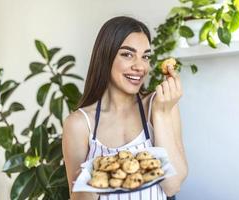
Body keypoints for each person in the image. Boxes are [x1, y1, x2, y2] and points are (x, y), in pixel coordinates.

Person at [62, 16, 188, 200]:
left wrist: (161, 114)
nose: (140, 66)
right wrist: (99, 176)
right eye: (127, 54)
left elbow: (173, 185)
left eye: (145, 56)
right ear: (106, 56)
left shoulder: (158, 105)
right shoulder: (79, 124)